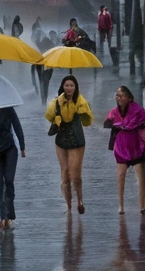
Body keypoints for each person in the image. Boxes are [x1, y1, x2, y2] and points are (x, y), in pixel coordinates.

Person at [45, 75, 94, 214]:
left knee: (75, 173)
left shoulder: (80, 101)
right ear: (63, 87)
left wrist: (82, 111)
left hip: (77, 141)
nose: (69, 88)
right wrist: (57, 119)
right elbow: (49, 116)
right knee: (65, 173)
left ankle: (80, 199)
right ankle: (68, 205)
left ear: (75, 87)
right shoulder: (56, 102)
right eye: (67, 85)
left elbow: (88, 120)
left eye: (72, 85)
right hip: (61, 141)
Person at [104, 86, 145, 215]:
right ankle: (121, 206)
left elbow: (140, 121)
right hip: (122, 146)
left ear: (129, 98)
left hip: (138, 146)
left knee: (141, 177)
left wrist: (123, 125)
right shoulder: (114, 111)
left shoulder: (138, 110)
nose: (119, 98)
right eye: (117, 95)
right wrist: (115, 124)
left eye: (122, 95)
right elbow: (107, 122)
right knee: (121, 175)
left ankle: (142, 205)